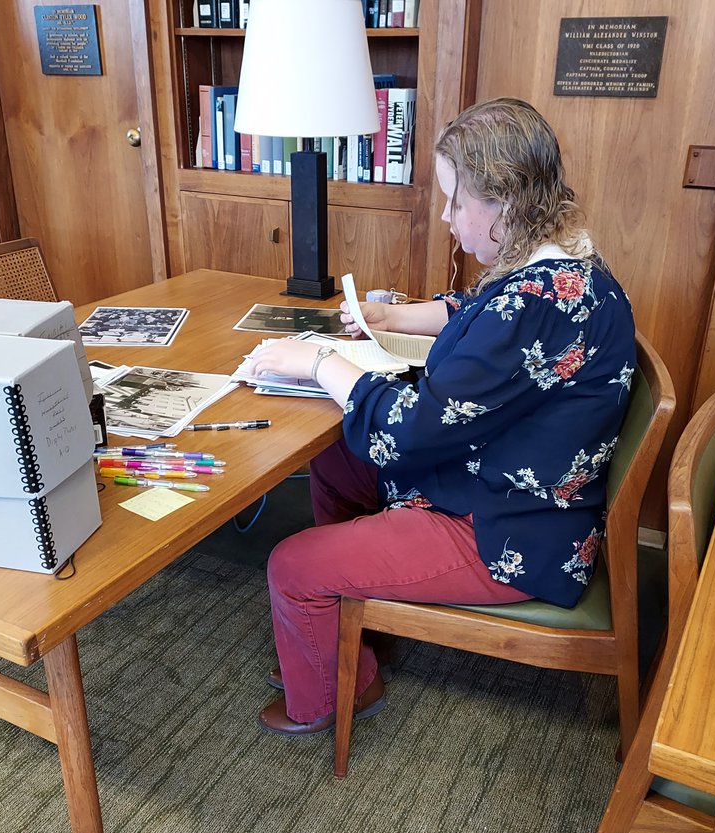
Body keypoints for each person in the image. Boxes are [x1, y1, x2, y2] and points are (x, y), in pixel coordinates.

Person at [247, 97, 637, 735]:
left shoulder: (534, 305)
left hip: (508, 531)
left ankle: (328, 693)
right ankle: (347, 625)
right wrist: (397, 315)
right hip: (510, 488)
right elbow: (480, 311)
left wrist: (320, 363)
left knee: (291, 565)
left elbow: (406, 430)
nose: (448, 218)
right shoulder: (563, 269)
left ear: (505, 205)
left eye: (457, 202)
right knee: (338, 462)